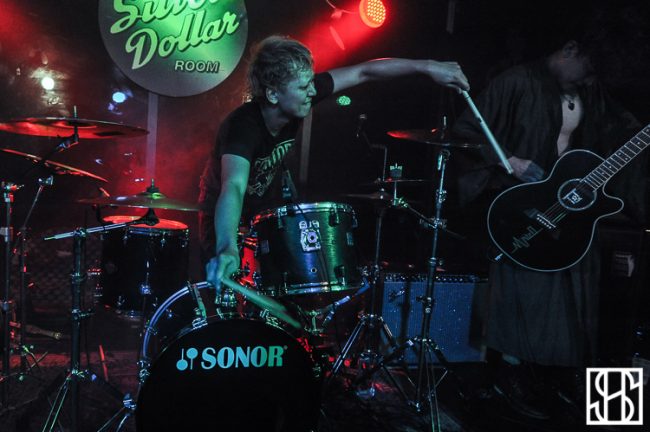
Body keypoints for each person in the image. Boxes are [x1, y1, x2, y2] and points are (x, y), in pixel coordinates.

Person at [452, 18, 647, 421]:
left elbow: (620, 134)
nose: (589, 81)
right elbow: (468, 131)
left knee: (580, 302)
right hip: (523, 214)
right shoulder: (515, 82)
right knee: (525, 297)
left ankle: (570, 384)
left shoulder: (590, 90)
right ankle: (512, 375)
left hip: (571, 217)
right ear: (570, 49)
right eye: (587, 70)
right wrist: (508, 160)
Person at [198, 35, 470, 293]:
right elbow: (233, 186)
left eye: (311, 83)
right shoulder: (242, 127)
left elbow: (365, 72)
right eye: (303, 87)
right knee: (233, 304)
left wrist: (428, 67)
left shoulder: (298, 96)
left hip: (263, 219)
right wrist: (227, 248)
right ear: (273, 94)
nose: (312, 91)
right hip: (222, 222)